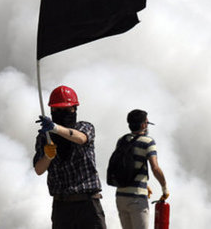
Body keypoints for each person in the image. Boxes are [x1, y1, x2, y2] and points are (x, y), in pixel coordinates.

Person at [34, 85, 106, 229]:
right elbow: (39, 170)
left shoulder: (84, 127)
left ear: (75, 109)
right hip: (61, 206)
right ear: (52, 111)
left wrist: (55, 128)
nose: (63, 114)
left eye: (68, 110)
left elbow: (81, 138)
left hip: (88, 204)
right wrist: (48, 157)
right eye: (57, 110)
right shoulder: (45, 137)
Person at [114, 109, 168, 229]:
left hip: (120, 197)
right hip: (137, 199)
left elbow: (124, 166)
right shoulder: (148, 142)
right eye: (147, 123)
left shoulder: (122, 140)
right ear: (143, 125)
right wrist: (164, 188)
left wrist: (144, 184)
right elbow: (155, 168)